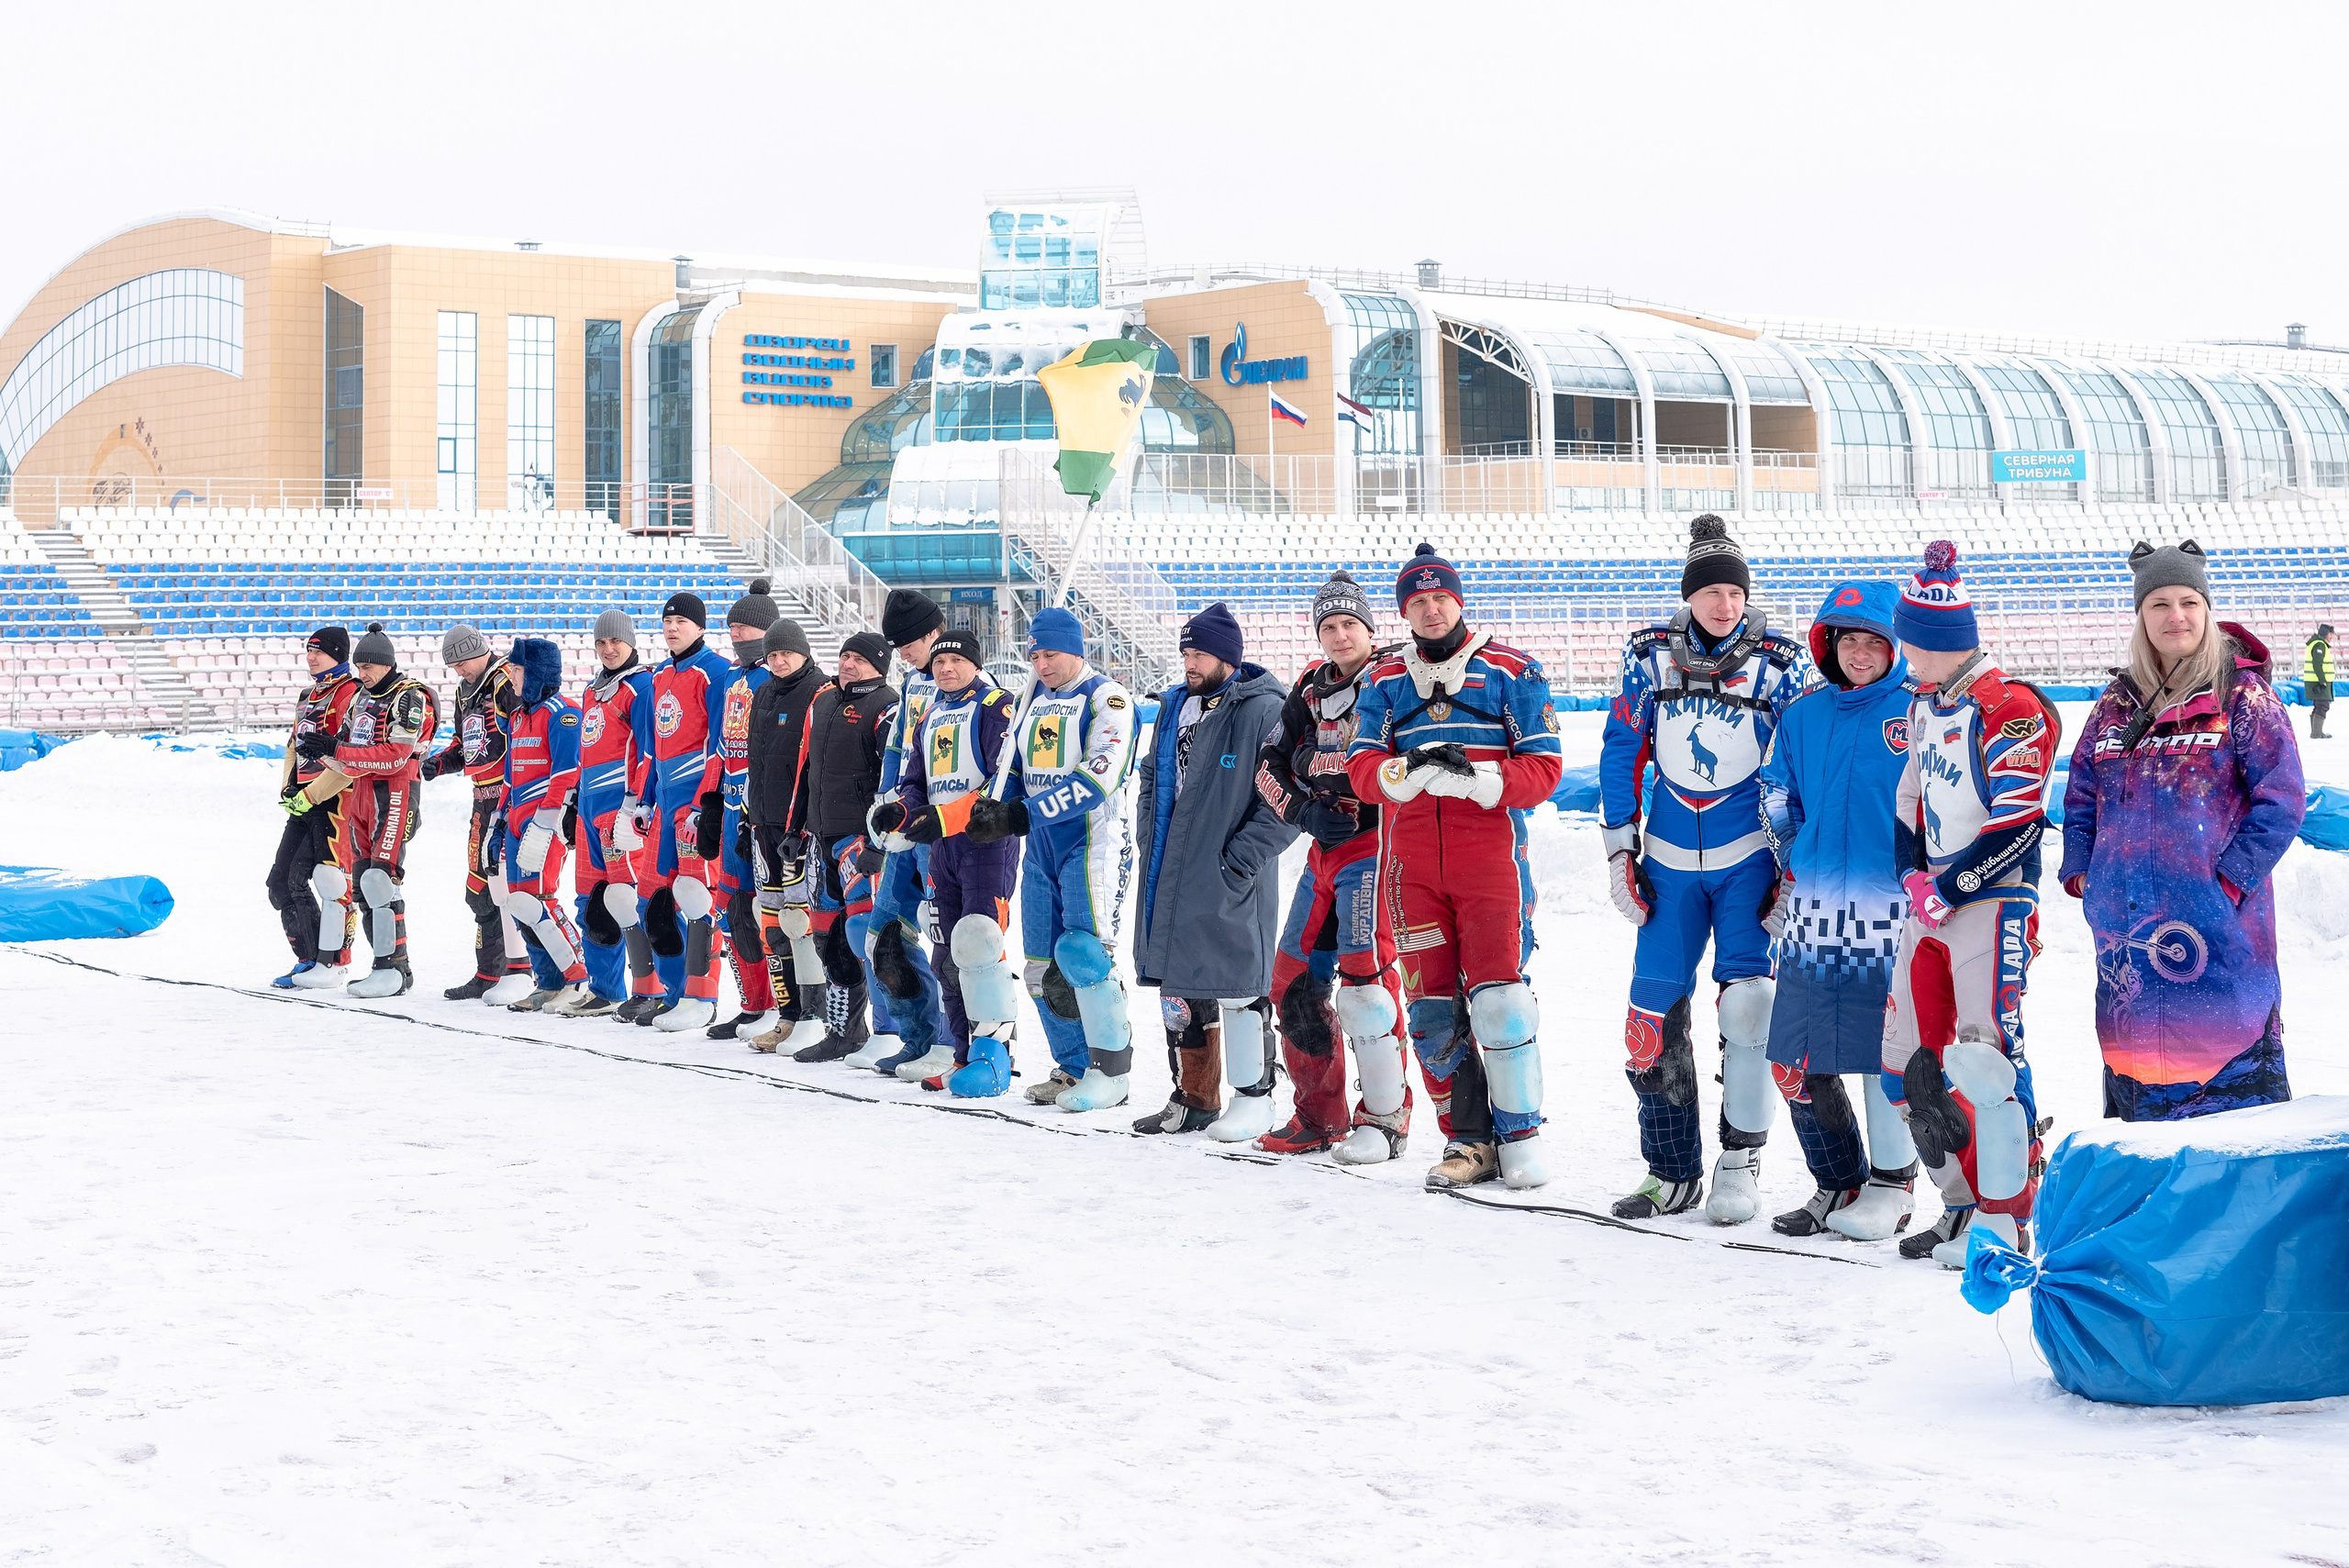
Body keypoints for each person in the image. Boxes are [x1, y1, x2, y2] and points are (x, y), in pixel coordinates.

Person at [1598, 516, 1809, 1220]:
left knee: (1750, 1008)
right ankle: (1670, 1170)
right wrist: (1620, 848)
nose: (1725, 604)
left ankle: (1740, 1163)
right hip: (1667, 862)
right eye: (1713, 592)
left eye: (1735, 593)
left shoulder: (1781, 660)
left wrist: (1792, 865)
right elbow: (1621, 746)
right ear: (1689, 595)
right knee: (1647, 1019)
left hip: (1749, 859)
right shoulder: (1647, 654)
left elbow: (1800, 762)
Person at [2060, 541, 2307, 1122]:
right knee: (2140, 1084)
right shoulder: (2116, 704)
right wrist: (2084, 874)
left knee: (2228, 1093)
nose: (2176, 616)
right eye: (2160, 604)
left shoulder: (2242, 696)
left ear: (2207, 610)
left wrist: (2228, 881)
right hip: (2127, 934)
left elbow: (2282, 800)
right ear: (2141, 617)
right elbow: (2082, 794)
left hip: (2218, 932)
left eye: (2189, 602)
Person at [1349, 545, 1564, 1190]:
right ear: (1404, 611)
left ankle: (1521, 1134)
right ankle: (1468, 1142)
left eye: (1441, 597)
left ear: (1459, 600)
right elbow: (1361, 770)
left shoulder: (1512, 670)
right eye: (1417, 601)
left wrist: (1479, 778)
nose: (1431, 610)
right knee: (1431, 1011)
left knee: (1501, 1002)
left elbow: (1545, 768)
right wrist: (1406, 770)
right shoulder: (1384, 679)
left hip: (1491, 863)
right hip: (1411, 869)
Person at [1883, 542, 2058, 1264]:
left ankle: (2008, 1215)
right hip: (1930, 905)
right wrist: (1912, 877)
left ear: (1936, 640)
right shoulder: (1926, 702)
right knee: (1906, 1067)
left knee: (1986, 1063)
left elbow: (2020, 822)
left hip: (1993, 901)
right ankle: (1960, 1202)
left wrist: (1951, 886)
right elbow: (1909, 798)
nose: (1901, 653)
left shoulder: (2011, 706)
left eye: (1908, 641)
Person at [1756, 582, 1922, 1239]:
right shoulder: (1802, 716)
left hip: (1892, 910)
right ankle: (1837, 1180)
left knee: (1884, 1048)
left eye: (1872, 641)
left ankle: (1892, 1183)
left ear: (1894, 648)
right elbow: (1775, 791)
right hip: (1816, 908)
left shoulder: (1919, 710)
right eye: (1847, 639)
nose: (1859, 652)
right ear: (1828, 645)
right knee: (1800, 1052)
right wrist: (1798, 853)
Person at [1252, 572, 1416, 1162]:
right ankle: (1318, 1116)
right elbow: (1268, 764)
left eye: (1350, 624)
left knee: (1367, 986)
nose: (1341, 636)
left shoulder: (1396, 678)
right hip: (1323, 850)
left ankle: (1386, 1118)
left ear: (1370, 629)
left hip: (1377, 848)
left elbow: (1396, 763)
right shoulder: (1309, 687)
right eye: (1329, 626)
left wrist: (1322, 769)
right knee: (1292, 981)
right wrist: (1302, 810)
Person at [1131, 603, 1297, 1138]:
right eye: (1185, 652)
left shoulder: (1265, 710)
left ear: (1228, 657)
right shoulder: (1175, 707)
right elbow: (1153, 779)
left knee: (1239, 986)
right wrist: (1149, 835)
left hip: (1227, 870)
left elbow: (1286, 799)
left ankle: (1254, 1097)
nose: (1190, 663)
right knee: (1179, 987)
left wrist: (1240, 860)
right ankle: (1194, 1097)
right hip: (1170, 866)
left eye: (1200, 653)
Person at [965, 606, 1138, 1112]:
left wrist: (1020, 814)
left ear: (1076, 650)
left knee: (1083, 955)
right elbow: (1014, 769)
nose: (1042, 665)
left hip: (1091, 839)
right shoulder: (1032, 699)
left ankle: (1111, 1072)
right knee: (1042, 965)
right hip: (1040, 843)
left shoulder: (1107, 697)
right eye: (1035, 656)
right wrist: (994, 806)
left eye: (1052, 655)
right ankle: (1072, 1066)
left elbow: (1097, 779)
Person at [871, 628, 1020, 1093]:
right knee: (946, 956)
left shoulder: (996, 705)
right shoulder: (932, 713)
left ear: (976, 664)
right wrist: (902, 811)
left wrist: (944, 817)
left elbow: (1002, 781)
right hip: (941, 849)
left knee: (980, 948)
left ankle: (994, 1058)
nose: (947, 668)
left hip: (984, 844)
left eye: (956, 660)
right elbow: (917, 781)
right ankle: (961, 1054)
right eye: (939, 662)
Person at [281, 622, 440, 998]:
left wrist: (337, 751)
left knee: (381, 880)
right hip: (363, 793)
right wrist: (322, 752)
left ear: (386, 664)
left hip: (396, 792)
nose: (361, 674)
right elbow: (348, 756)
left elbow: (395, 756)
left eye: (367, 667)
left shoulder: (409, 697)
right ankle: (385, 966)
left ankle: (393, 967)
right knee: (363, 885)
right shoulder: (362, 698)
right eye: (359, 667)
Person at [789, 632, 897, 1062]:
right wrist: (795, 829)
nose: (848, 663)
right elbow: (806, 770)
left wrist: (879, 842)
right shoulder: (823, 701)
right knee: (826, 936)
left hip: (859, 839)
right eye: (844, 655)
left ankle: (890, 1031)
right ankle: (843, 1032)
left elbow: (893, 782)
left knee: (867, 936)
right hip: (821, 836)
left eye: (858, 659)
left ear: (878, 666)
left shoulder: (887, 706)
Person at [861, 589, 955, 1076]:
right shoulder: (914, 682)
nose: (902, 655)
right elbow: (897, 748)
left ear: (934, 633)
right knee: (885, 937)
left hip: (943, 832)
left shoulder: (967, 681)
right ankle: (916, 1037)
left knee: (950, 940)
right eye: (896, 647)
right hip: (903, 824)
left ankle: (954, 1043)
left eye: (908, 645)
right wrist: (884, 801)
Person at [640, 592, 736, 1031]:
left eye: (681, 621)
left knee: (698, 898)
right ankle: (674, 993)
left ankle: (702, 997)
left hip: (693, 805)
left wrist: (703, 803)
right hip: (663, 804)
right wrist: (643, 799)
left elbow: (719, 744)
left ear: (700, 626)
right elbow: (653, 748)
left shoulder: (716, 672)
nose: (672, 628)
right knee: (653, 901)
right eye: (667, 621)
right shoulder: (660, 674)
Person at [423, 623, 529, 1004]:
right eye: (453, 666)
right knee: (478, 890)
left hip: (509, 796)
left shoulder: (505, 681)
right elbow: (463, 744)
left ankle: (524, 969)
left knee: (511, 887)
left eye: (462, 663)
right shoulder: (463, 690)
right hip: (480, 798)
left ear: (477, 651)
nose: (459, 671)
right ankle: (488, 973)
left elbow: (525, 735)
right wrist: (440, 763)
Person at [563, 608, 661, 1020]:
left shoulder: (641, 687)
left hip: (619, 812)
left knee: (630, 900)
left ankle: (650, 990)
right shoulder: (592, 690)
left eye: (615, 642)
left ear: (631, 642)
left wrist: (635, 803)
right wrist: (572, 802)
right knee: (591, 903)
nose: (608, 649)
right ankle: (604, 989)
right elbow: (584, 755)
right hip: (589, 810)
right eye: (601, 642)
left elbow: (648, 751)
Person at [743, 617, 829, 1054]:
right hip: (764, 824)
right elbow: (754, 762)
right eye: (772, 654)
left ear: (804, 652)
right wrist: (749, 818)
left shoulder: (821, 692)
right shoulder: (762, 693)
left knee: (801, 922)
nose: (778, 661)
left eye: (786, 653)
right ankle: (788, 1015)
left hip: (801, 828)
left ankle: (816, 1017)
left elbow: (817, 768)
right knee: (772, 922)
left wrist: (804, 825)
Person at [496, 637, 592, 1013]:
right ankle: (548, 981)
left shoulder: (564, 713)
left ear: (536, 672)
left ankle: (577, 976)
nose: (512, 677)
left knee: (539, 899)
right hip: (517, 822)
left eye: (518, 670)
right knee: (520, 904)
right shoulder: (518, 718)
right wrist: (497, 821)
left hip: (544, 822)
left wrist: (548, 822)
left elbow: (567, 772)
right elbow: (510, 777)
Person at [707, 581, 783, 1041]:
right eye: (732, 627)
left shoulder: (774, 678)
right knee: (732, 909)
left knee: (767, 910)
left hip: (764, 811)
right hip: (732, 804)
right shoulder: (733, 677)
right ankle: (753, 1005)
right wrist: (709, 804)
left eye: (744, 627)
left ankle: (783, 1005)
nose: (735, 634)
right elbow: (719, 747)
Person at [267, 625, 362, 989]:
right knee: (280, 883)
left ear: (337, 655)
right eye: (308, 651)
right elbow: (293, 743)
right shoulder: (308, 694)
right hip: (304, 799)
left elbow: (349, 759)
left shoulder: (350, 693)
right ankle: (308, 959)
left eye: (318, 651)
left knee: (330, 882)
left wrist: (311, 794)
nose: (310, 657)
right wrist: (289, 784)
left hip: (334, 801)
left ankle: (334, 961)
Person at [2305, 622, 2333, 740]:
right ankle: (2317, 733)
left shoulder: (2317, 643)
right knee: (2322, 705)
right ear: (2325, 634)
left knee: (2318, 705)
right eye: (2330, 634)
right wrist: (2322, 681)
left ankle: (2316, 732)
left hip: (2315, 680)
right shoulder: (2319, 645)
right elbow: (2317, 664)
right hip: (2317, 681)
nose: (2331, 637)